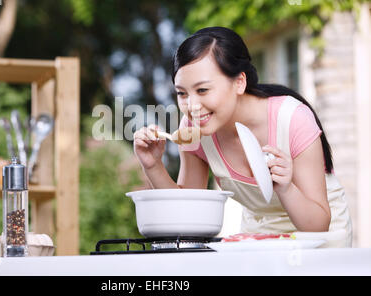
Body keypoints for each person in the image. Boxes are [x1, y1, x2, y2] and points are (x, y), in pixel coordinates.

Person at [133, 26, 352, 247]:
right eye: (182, 93)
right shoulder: (193, 130)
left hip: (320, 229)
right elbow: (187, 210)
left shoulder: (292, 118)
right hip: (259, 231)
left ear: (239, 82)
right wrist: (153, 166)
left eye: (202, 91)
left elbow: (318, 226)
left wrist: (286, 188)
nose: (192, 106)